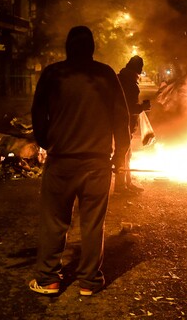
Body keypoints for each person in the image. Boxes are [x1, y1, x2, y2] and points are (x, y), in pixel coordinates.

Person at [29, 26, 130, 296]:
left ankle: (49, 279)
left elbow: (38, 115)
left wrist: (44, 142)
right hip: (97, 164)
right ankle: (89, 282)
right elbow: (122, 118)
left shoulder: (53, 74)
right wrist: (120, 155)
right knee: (93, 223)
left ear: (67, 47)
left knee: (55, 221)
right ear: (92, 48)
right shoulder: (106, 74)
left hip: (61, 162)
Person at [116, 55, 151, 194]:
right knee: (122, 154)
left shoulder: (120, 79)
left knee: (125, 154)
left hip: (121, 123)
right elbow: (129, 108)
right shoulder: (129, 83)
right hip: (123, 124)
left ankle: (127, 183)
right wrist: (143, 107)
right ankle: (120, 187)